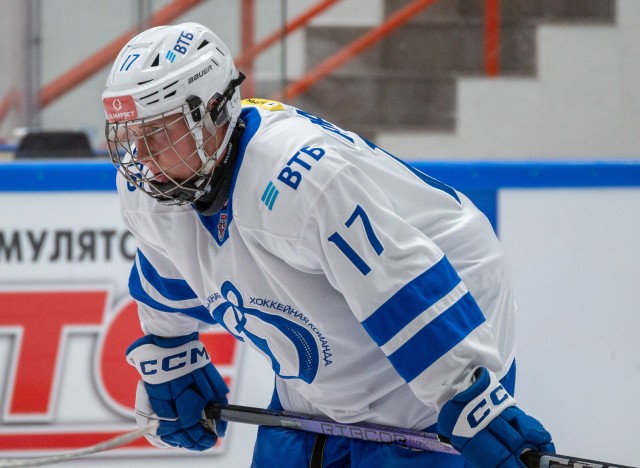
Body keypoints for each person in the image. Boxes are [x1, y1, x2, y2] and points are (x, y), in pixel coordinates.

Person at [102, 22, 554, 467]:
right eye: (130, 135)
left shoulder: (297, 177)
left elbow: (395, 278)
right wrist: (169, 349)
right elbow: (168, 270)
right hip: (331, 341)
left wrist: (469, 393)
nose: (139, 155)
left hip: (444, 294)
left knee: (405, 433)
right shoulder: (151, 188)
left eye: (157, 132)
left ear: (213, 113)